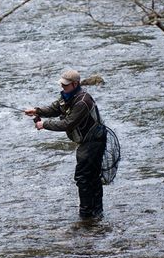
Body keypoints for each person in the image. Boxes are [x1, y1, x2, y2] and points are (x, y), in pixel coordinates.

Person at [24, 68, 107, 219]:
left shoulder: (83, 101)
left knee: (84, 177)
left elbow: (68, 124)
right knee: (91, 177)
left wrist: (44, 125)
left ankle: (87, 214)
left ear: (75, 84)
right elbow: (56, 108)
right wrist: (37, 111)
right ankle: (96, 213)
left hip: (93, 142)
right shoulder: (68, 96)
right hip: (88, 141)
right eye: (62, 84)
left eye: (65, 85)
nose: (62, 87)